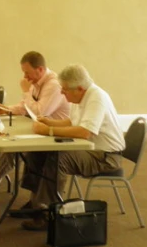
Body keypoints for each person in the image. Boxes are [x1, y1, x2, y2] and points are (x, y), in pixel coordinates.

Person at [20, 64, 125, 231]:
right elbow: (73, 121)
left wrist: (49, 130)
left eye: (65, 90)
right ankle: (36, 203)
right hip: (91, 150)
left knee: (59, 158)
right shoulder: (80, 96)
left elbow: (84, 132)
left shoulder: (96, 97)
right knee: (39, 151)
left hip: (105, 157)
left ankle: (46, 211)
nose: (62, 93)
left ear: (80, 89)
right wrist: (50, 122)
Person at [0, 51, 70, 202]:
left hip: (55, 134)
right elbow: (25, 106)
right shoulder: (37, 83)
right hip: (40, 130)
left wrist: (25, 91)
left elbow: (39, 112)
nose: (25, 77)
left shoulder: (53, 85)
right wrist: (6, 109)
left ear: (40, 70)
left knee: (11, 148)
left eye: (27, 72)